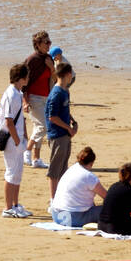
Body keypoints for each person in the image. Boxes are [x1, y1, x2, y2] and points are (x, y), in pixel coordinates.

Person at [0, 64, 33, 218]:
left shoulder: (18, 93)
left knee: (18, 173)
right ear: (21, 77)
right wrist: (18, 141)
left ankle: (15, 204)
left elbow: (20, 119)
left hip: (18, 138)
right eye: (27, 76)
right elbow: (8, 121)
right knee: (11, 173)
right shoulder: (11, 94)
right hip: (12, 140)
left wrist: (25, 136)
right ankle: (7, 208)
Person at [50, 146, 106, 227]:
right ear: (91, 163)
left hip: (56, 215)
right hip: (74, 218)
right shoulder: (89, 176)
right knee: (110, 209)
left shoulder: (70, 170)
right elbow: (107, 197)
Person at [46, 61, 78, 195]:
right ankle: (53, 200)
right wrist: (68, 128)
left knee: (63, 168)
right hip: (57, 135)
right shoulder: (56, 93)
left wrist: (72, 120)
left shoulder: (65, 91)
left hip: (64, 134)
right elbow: (52, 117)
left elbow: (63, 110)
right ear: (68, 74)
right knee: (55, 170)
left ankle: (61, 197)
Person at [23, 31, 54, 172]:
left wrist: (51, 67)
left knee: (38, 128)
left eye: (49, 42)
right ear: (38, 44)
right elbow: (23, 82)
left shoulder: (49, 58)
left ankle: (36, 159)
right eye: (46, 42)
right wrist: (25, 100)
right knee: (44, 127)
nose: (49, 44)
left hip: (47, 97)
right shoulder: (32, 60)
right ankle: (27, 151)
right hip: (33, 97)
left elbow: (54, 78)